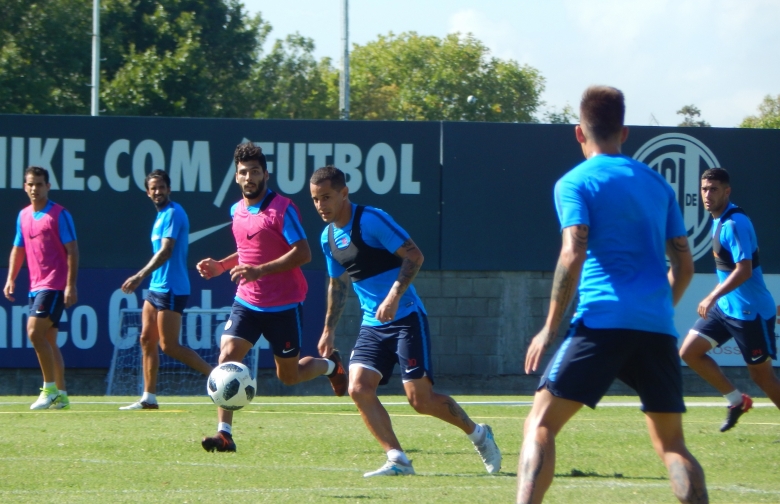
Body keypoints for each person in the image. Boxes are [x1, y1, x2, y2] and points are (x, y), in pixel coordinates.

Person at [518, 86, 708, 504]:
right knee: (672, 445)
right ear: (624, 131)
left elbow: (573, 252)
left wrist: (549, 328)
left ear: (578, 132)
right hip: (656, 328)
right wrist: (656, 309)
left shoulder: (574, 182)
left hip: (601, 322)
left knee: (540, 423)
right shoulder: (658, 185)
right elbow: (685, 266)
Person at [309, 166, 501, 477]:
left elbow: (415, 256)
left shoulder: (371, 219)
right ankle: (397, 458)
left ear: (344, 193)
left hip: (406, 316)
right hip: (372, 325)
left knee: (420, 400)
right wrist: (329, 330)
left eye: (327, 197)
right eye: (316, 200)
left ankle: (479, 434)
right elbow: (337, 284)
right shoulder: (327, 237)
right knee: (358, 388)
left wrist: (394, 295)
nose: (321, 205)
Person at [197, 142, 346, 453]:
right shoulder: (236, 211)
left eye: (254, 171)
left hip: (283, 305)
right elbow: (248, 250)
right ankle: (224, 433)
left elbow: (302, 253)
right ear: (236, 178)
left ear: (266, 174)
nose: (249, 177)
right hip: (247, 302)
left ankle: (332, 367)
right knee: (227, 357)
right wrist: (221, 266)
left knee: (289, 377)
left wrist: (260, 270)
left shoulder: (282, 209)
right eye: (243, 173)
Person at [679, 168, 780, 432]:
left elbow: (744, 270)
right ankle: (736, 401)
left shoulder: (734, 223)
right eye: (704, 189)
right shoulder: (718, 219)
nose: (707, 194)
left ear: (727, 191)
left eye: (713, 189)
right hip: (727, 309)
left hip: (750, 313)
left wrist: (712, 295)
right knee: (689, 352)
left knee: (762, 377)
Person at [119, 169, 212, 410]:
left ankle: (217, 377)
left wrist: (139, 275)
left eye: (161, 187)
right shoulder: (160, 216)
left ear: (168, 189)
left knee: (168, 346)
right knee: (146, 339)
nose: (158, 191)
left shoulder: (173, 213)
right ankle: (148, 398)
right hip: (156, 288)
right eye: (153, 188)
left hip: (172, 288)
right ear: (148, 193)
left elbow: (166, 251)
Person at [4, 166, 79, 410]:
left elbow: (73, 251)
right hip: (35, 286)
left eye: (39, 184)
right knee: (48, 340)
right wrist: (11, 278)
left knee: (34, 332)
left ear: (48, 186)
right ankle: (62, 395)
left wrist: (70, 285)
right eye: (30, 184)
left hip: (54, 285)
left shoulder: (59, 214)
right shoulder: (23, 215)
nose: (34, 188)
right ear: (25, 187)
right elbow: (19, 248)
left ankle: (49, 390)